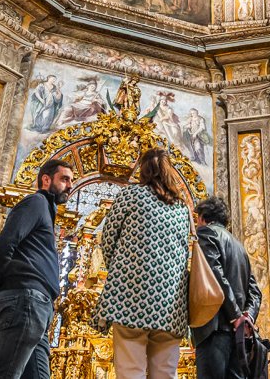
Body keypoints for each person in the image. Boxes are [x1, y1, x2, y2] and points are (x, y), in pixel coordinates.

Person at [0, 159, 75, 379]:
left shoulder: (46, 210)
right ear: (46, 179)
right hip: (27, 303)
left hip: (36, 309)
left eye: (71, 180)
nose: (70, 185)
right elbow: (2, 246)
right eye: (65, 179)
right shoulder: (36, 202)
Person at [97, 149, 192, 377]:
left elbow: (108, 240)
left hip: (131, 297)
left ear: (143, 170)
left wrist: (122, 270)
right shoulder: (182, 208)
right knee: (165, 373)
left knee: (131, 371)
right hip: (171, 304)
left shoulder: (130, 195)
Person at [192, 196, 262, 379]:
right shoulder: (239, 246)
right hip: (238, 334)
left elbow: (216, 277)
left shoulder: (206, 233)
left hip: (215, 328)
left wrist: (236, 316)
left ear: (202, 217)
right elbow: (255, 291)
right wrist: (247, 317)